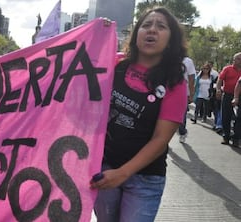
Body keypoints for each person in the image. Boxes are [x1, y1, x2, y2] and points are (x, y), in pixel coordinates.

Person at [91, 7, 187, 222]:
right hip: (104, 170)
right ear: (136, 35)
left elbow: (161, 139)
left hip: (145, 179)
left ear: (170, 41)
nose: (152, 30)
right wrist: (98, 33)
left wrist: (123, 173)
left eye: (161, 27)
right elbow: (81, 65)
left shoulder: (175, 82)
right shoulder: (115, 64)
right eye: (146, 25)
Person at [216, 52, 241, 146]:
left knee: (239, 118)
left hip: (240, 97)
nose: (240, 60)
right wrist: (218, 89)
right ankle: (226, 136)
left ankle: (236, 138)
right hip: (227, 95)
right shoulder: (227, 69)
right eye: (238, 58)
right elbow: (220, 80)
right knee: (226, 117)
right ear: (234, 60)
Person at [178, 56, 196, 143]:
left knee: (181, 115)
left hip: (183, 93)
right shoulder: (166, 57)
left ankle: (182, 132)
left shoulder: (188, 61)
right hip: (167, 91)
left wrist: (191, 94)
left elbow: (192, 79)